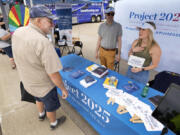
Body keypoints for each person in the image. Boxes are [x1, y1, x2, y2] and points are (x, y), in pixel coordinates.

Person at [12, 5, 68, 130]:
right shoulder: (42, 42)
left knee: (38, 99)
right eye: (49, 21)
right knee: (51, 106)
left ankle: (41, 114)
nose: (52, 25)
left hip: (29, 82)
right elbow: (53, 74)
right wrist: (63, 89)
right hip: (44, 86)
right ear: (38, 20)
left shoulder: (18, 31)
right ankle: (53, 123)